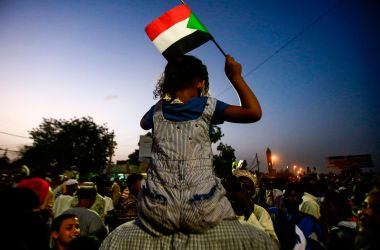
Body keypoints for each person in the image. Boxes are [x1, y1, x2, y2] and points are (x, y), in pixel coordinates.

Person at [138, 54, 262, 235]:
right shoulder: (207, 105)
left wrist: (164, 100)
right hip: (203, 210)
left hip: (157, 211)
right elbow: (253, 112)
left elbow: (143, 123)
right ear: (200, 84)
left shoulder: (157, 109)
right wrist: (235, 76)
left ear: (169, 83)